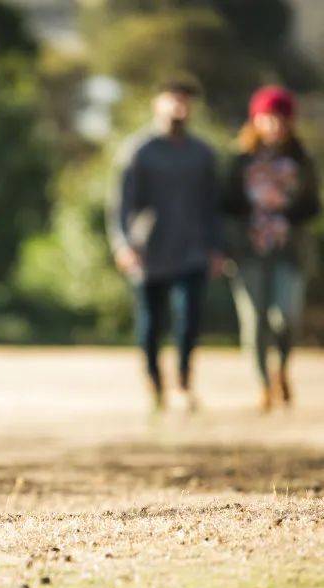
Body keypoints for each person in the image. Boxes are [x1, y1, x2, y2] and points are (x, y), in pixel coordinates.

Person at [109, 79, 224, 411]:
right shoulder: (138, 151)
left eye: (185, 101)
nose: (179, 107)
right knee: (150, 322)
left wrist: (216, 247)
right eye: (173, 100)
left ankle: (185, 383)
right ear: (156, 103)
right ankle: (153, 381)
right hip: (149, 250)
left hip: (193, 249)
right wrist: (122, 244)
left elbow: (213, 205)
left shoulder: (202, 153)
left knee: (189, 319)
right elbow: (121, 204)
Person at [223, 86, 320, 412]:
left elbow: (312, 205)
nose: (275, 125)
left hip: (289, 250)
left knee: (286, 316)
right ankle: (263, 383)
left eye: (281, 118)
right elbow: (228, 205)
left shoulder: (301, 160)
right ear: (256, 120)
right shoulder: (240, 160)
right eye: (268, 118)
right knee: (255, 320)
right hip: (249, 250)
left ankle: (283, 370)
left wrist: (287, 218)